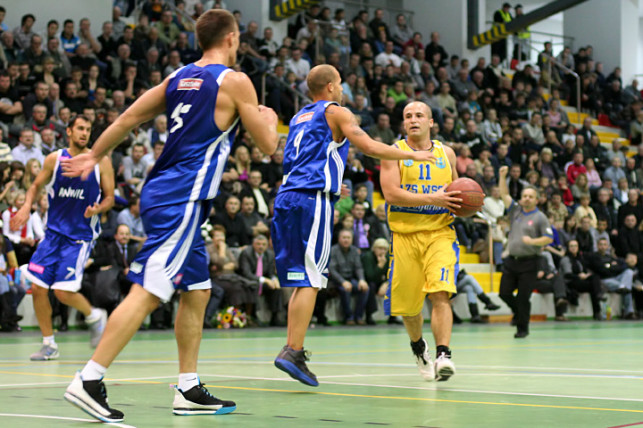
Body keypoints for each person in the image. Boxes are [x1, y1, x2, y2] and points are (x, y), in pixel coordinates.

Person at [60, 10, 279, 423]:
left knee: (196, 289)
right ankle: (89, 379)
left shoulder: (178, 77)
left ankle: (188, 387)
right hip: (183, 196)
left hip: (166, 190)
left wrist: (94, 153)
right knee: (150, 286)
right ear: (232, 38)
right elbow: (269, 146)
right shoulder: (235, 81)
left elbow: (128, 117)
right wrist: (268, 117)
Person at [271, 66, 437, 387]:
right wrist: (412, 157)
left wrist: (334, 183)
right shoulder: (336, 111)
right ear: (332, 86)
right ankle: (293, 350)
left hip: (288, 196)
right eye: (342, 84)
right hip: (310, 201)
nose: (344, 89)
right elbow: (370, 146)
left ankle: (293, 349)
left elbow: (307, 157)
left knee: (301, 278)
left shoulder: (299, 117)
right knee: (312, 279)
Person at [10, 115, 115, 360]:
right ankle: (49, 344)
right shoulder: (54, 160)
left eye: (88, 129)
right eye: (80, 128)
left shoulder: (102, 161)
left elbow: (110, 197)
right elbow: (35, 186)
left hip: (79, 238)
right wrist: (26, 206)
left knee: (62, 292)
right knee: (37, 288)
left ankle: (94, 316)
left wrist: (99, 209)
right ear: (68, 131)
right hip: (53, 235)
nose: (84, 133)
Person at [379, 101, 462, 382]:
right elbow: (391, 194)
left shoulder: (446, 154)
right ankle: (419, 347)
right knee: (410, 308)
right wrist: (433, 198)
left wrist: (463, 203)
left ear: (431, 123)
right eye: (408, 116)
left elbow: (458, 191)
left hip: (440, 233)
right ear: (404, 124)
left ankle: (443, 356)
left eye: (419, 115)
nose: (413, 120)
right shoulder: (393, 153)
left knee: (440, 293)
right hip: (404, 236)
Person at [497, 165, 554, 338]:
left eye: (531, 196)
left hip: (530, 262)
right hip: (511, 261)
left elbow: (548, 238)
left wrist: (533, 241)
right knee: (504, 293)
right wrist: (502, 176)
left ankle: (523, 328)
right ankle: (519, 314)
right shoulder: (516, 211)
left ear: (537, 199)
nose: (527, 199)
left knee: (523, 298)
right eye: (524, 196)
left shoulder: (540, 217)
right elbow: (504, 195)